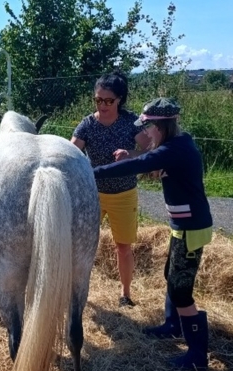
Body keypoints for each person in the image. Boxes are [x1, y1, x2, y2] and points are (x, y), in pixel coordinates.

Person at [92, 97, 213, 371]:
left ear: (160, 126)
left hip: (192, 228)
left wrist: (89, 172)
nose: (145, 133)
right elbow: (144, 159)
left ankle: (197, 355)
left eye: (147, 128)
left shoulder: (175, 149)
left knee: (182, 291)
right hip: (183, 225)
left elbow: (137, 165)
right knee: (171, 276)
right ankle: (173, 326)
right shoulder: (176, 145)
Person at [71, 71, 151, 307]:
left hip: (124, 194)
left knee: (123, 247)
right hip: (91, 195)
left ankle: (125, 295)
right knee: (79, 244)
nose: (103, 105)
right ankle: (75, 291)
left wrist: (131, 155)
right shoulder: (87, 124)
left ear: (120, 100)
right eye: (98, 100)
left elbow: (152, 150)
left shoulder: (130, 122)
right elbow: (72, 153)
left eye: (109, 100)